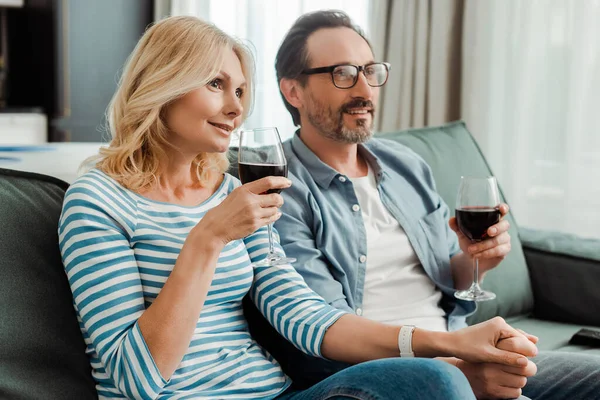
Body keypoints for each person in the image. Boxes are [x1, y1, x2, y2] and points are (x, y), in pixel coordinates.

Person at [56, 15, 541, 400]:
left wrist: (450, 343)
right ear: (162, 85)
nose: (235, 108)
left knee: (440, 377)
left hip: (280, 393)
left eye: (241, 90)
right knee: (441, 383)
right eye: (216, 84)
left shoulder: (229, 193)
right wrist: (207, 240)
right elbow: (135, 378)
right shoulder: (98, 201)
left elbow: (305, 317)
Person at [269, 9, 600, 400]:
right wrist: (456, 363)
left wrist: (478, 259)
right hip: (382, 371)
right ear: (293, 91)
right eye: (343, 73)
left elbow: (451, 274)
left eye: (370, 71)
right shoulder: (280, 189)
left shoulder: (404, 164)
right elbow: (325, 327)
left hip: (454, 346)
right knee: (447, 385)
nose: (364, 89)